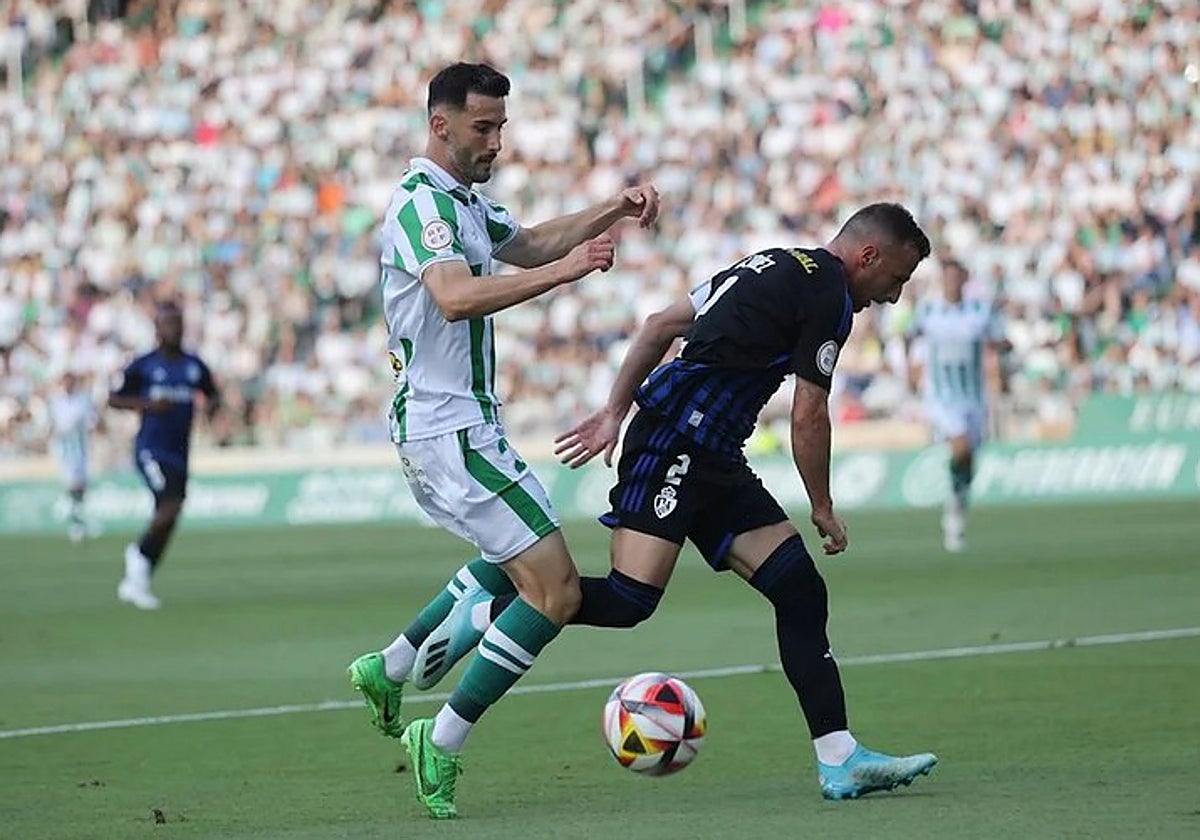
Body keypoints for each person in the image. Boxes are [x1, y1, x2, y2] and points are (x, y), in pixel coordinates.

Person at [418, 203, 940, 801]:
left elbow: (660, 325)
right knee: (628, 597)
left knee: (798, 587)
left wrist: (615, 411)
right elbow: (809, 413)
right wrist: (821, 505)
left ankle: (839, 758)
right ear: (867, 256)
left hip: (711, 453)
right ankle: (487, 612)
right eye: (896, 279)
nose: (894, 297)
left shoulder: (767, 262)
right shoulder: (829, 294)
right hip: (677, 440)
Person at [344, 61, 659, 820]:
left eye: (502, 127)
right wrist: (563, 275)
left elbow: (531, 240)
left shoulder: (463, 202)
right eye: (482, 128)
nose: (496, 141)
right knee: (554, 591)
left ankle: (389, 668)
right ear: (439, 124)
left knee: (506, 561)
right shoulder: (421, 204)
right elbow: (453, 299)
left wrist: (608, 211)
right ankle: (442, 739)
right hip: (450, 430)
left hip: (459, 426)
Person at [108, 301, 221, 610]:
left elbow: (213, 394)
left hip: (180, 453)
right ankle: (137, 558)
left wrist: (210, 407)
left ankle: (140, 575)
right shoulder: (143, 365)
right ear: (157, 329)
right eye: (169, 323)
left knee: (171, 516)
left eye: (179, 323)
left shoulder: (193, 365)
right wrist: (147, 404)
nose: (176, 329)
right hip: (151, 449)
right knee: (168, 509)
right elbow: (114, 398)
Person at [909, 260, 1010, 551]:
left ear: (964, 280)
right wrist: (913, 374)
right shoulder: (928, 312)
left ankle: (957, 503)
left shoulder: (979, 313)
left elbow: (999, 338)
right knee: (961, 445)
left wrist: (1004, 348)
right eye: (948, 278)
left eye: (957, 277)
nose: (952, 283)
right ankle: (954, 507)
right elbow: (911, 339)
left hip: (974, 396)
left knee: (968, 459)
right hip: (941, 396)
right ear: (943, 281)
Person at [49, 371, 102, 542]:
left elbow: (91, 421)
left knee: (82, 486)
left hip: (82, 448)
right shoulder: (56, 402)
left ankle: (79, 519)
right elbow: (55, 425)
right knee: (72, 484)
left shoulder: (83, 399)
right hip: (65, 449)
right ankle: (76, 523)